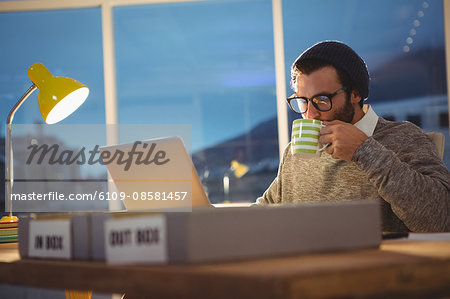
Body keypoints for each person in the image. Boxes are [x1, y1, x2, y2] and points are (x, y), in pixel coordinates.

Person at [256, 41, 450, 232]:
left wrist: (364, 150)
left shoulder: (405, 137)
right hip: (304, 262)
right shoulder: (294, 152)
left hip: (376, 263)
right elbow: (263, 214)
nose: (310, 114)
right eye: (302, 101)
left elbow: (441, 219)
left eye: (322, 99)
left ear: (355, 94)